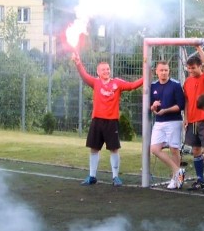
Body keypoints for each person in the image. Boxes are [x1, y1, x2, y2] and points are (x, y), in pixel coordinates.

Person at [71, 51, 143, 187]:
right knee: (94, 149)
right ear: (98, 72)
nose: (106, 71)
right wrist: (78, 63)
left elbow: (132, 85)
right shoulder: (95, 82)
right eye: (103, 69)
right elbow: (84, 75)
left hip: (112, 122)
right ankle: (92, 176)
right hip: (97, 121)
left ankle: (115, 177)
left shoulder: (117, 83)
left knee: (114, 149)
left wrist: (145, 77)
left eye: (108, 69)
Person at [183, 46, 204, 194]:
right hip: (192, 121)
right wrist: (186, 117)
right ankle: (199, 180)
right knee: (196, 150)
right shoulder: (187, 81)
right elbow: (187, 100)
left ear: (200, 66)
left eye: (193, 68)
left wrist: (198, 48)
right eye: (189, 68)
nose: (191, 71)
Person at [150, 61, 186, 190]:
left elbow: (180, 106)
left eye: (166, 70)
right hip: (159, 122)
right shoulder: (153, 86)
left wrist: (166, 110)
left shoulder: (175, 85)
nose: (164, 72)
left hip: (173, 121)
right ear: (156, 71)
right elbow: (150, 105)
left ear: (169, 71)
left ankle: (175, 179)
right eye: (161, 70)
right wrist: (153, 107)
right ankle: (178, 171)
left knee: (174, 149)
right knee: (154, 149)